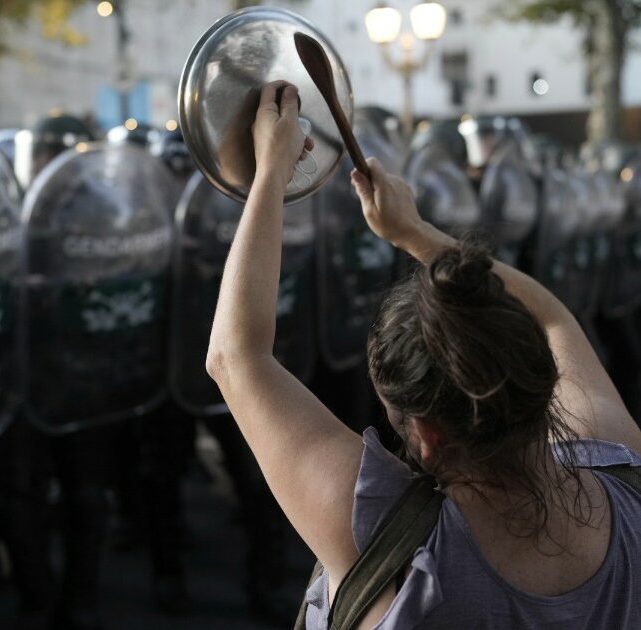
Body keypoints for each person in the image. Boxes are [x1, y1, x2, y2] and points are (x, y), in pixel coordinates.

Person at [205, 80, 641, 628]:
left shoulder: (387, 541)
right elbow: (553, 316)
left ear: (428, 440)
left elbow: (233, 356)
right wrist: (416, 233)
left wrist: (269, 172)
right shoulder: (623, 470)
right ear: (544, 379)